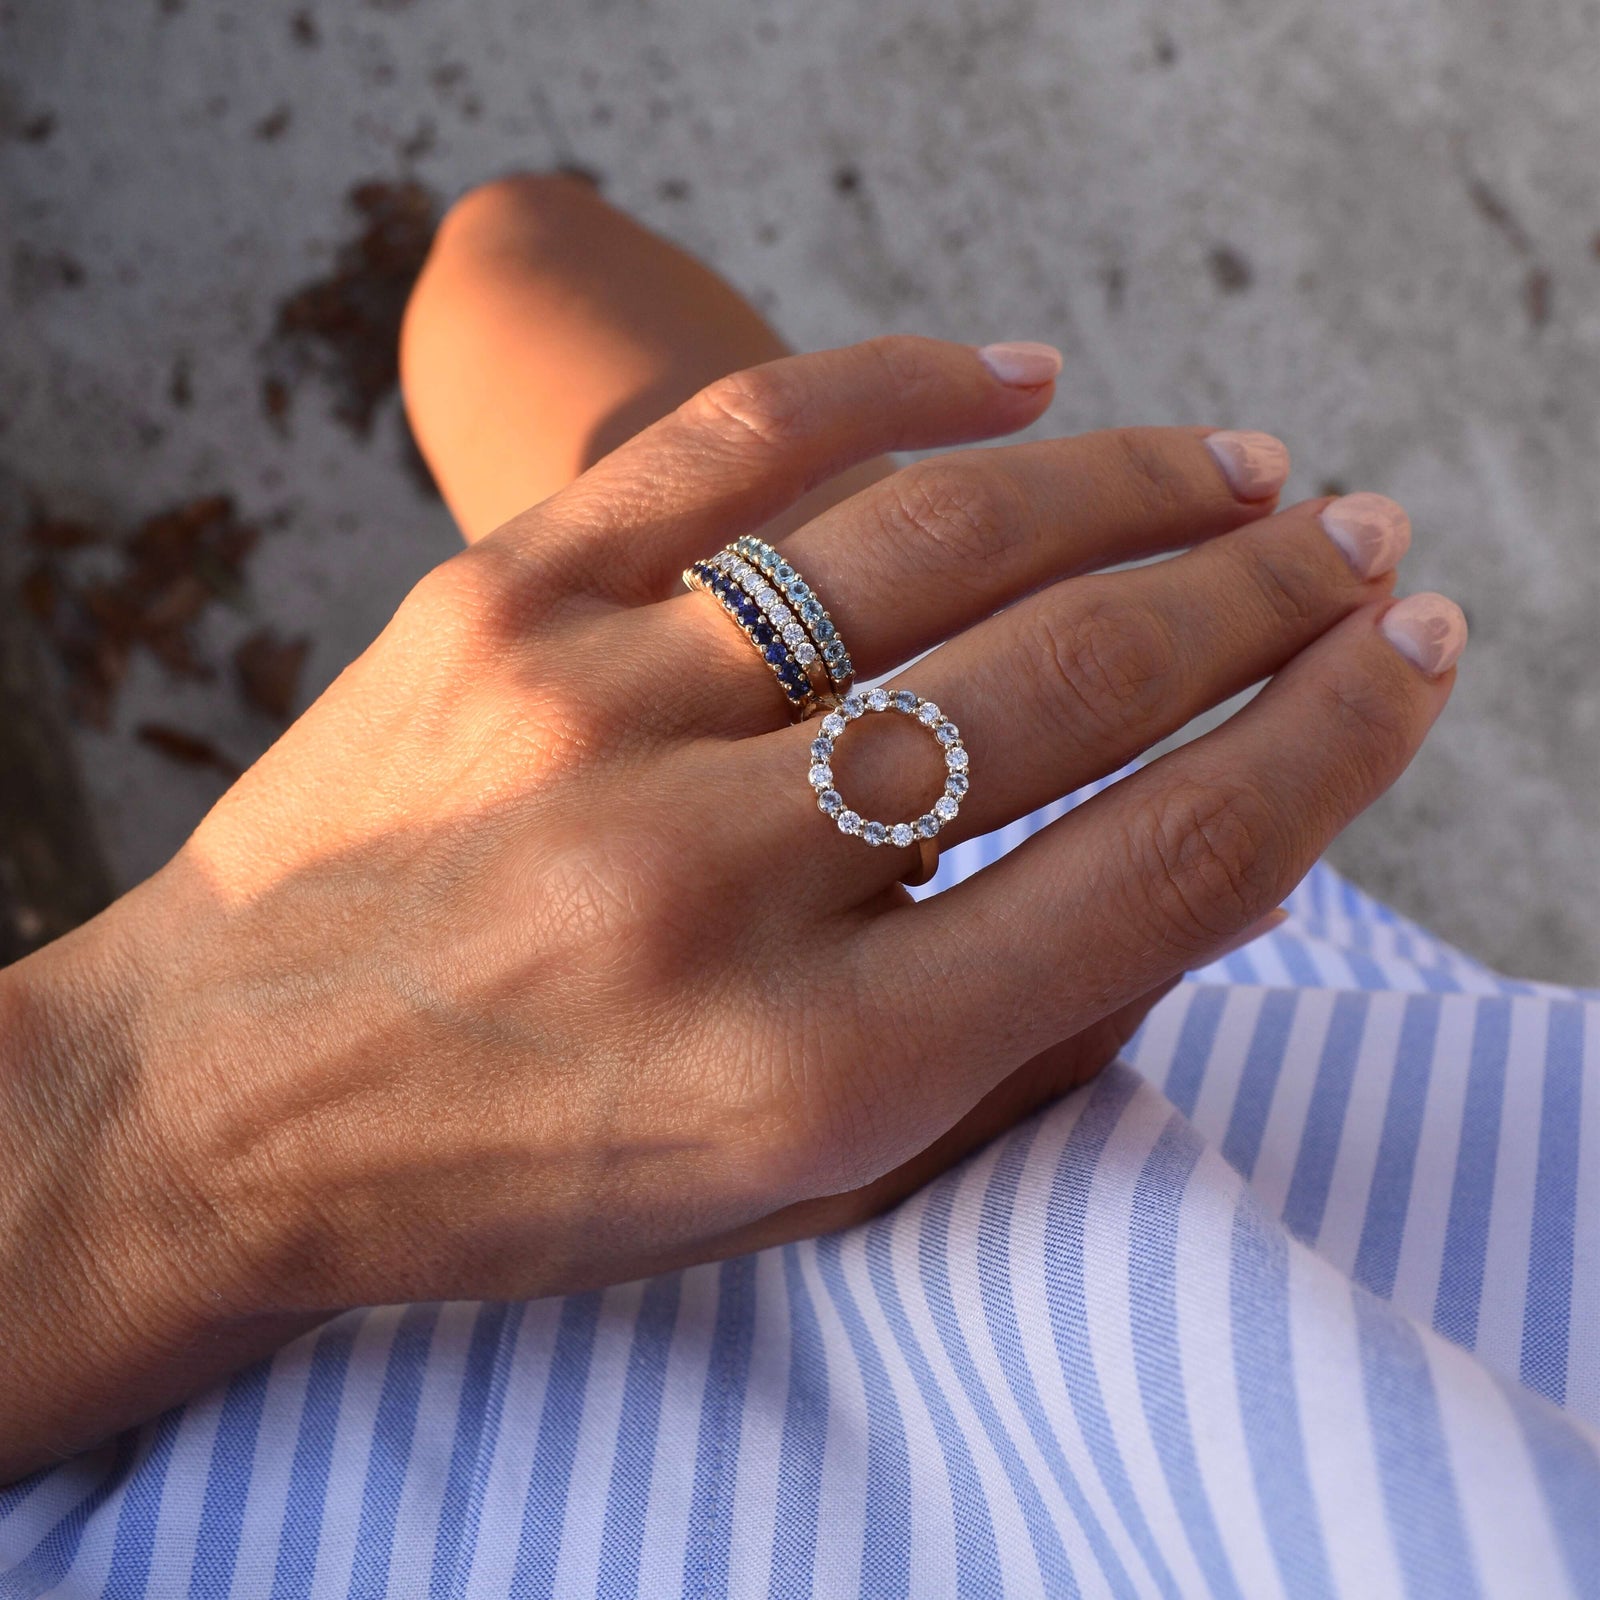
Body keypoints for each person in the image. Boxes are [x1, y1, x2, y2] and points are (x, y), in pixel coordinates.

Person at [1, 174, 1592, 1598]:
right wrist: (174, 1126)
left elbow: (513, 268)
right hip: (1138, 975)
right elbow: (515, 266)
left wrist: (165, 1114)